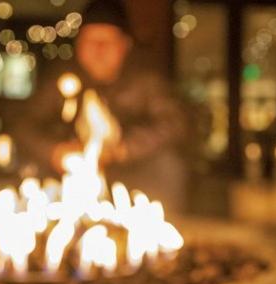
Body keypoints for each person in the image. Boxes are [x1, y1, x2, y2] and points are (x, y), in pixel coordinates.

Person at [12, 0, 189, 212]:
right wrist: (55, 151)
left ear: (124, 45)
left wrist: (121, 150)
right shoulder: (61, 80)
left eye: (107, 42)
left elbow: (173, 124)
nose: (98, 51)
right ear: (78, 45)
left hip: (129, 172)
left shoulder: (146, 81)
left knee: (168, 166)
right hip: (67, 173)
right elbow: (24, 125)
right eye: (90, 41)